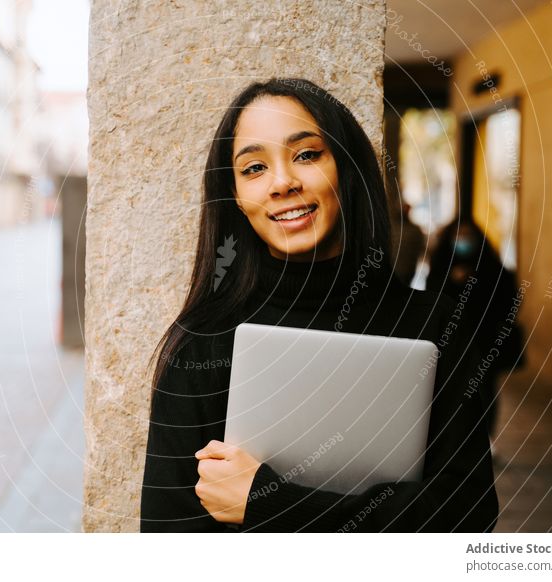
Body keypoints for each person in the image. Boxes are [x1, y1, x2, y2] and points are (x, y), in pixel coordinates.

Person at [140, 78, 498, 533]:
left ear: (346, 167)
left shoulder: (436, 323)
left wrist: (274, 504)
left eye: (306, 155)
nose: (283, 182)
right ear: (236, 197)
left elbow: (467, 514)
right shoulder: (202, 342)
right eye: (253, 168)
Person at [426, 219, 525, 437]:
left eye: (468, 235)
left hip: (485, 339)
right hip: (451, 341)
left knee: (485, 390)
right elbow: (431, 298)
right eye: (458, 236)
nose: (463, 241)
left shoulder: (492, 268)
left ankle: (486, 437)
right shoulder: (441, 267)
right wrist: (450, 281)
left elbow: (510, 299)